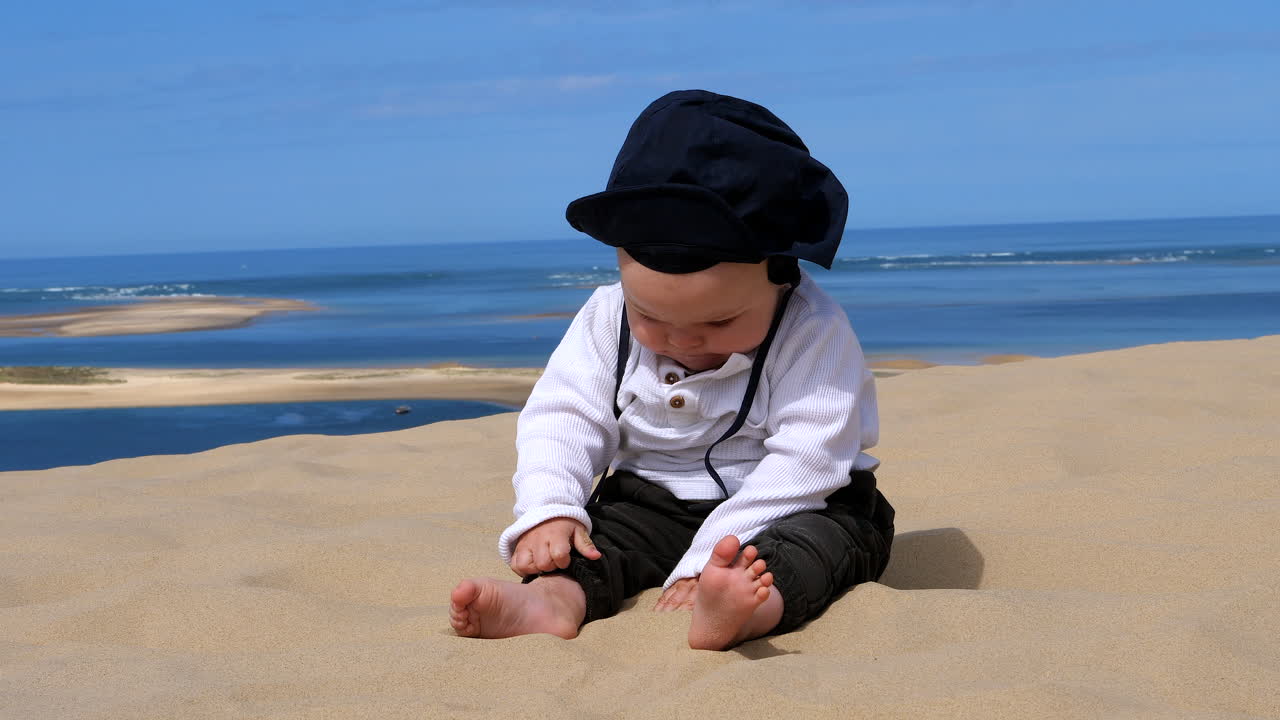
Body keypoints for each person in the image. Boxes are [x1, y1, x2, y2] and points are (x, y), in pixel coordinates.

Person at [449, 89, 894, 650]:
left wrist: (710, 554)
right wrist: (548, 509)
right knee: (592, 540)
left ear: (780, 274)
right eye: (651, 316)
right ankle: (551, 600)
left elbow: (811, 456)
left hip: (797, 503)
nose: (682, 341)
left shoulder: (811, 329)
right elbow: (565, 416)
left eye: (720, 320)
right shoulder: (604, 317)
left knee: (821, 546)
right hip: (650, 501)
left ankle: (749, 609)